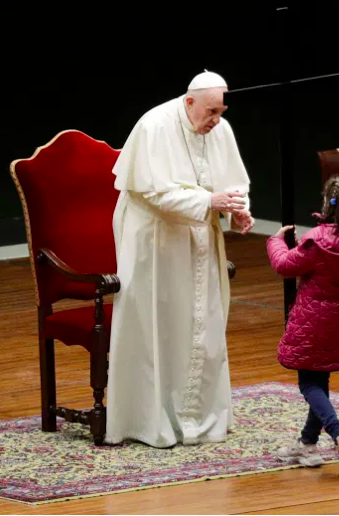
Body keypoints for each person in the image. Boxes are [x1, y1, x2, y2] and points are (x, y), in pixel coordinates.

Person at [106, 70, 255, 448]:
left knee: (201, 326)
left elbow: (234, 182)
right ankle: (150, 421)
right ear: (189, 102)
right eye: (210, 112)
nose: (216, 121)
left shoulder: (219, 128)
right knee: (159, 326)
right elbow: (154, 194)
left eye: (221, 111)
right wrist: (210, 201)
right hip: (154, 241)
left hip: (200, 239)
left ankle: (199, 419)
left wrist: (238, 208)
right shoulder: (154, 126)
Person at [267, 176, 339, 475]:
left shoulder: (318, 241)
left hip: (314, 318)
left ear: (331, 204)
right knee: (321, 380)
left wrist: (275, 240)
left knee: (309, 383)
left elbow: (284, 265)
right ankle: (307, 444)